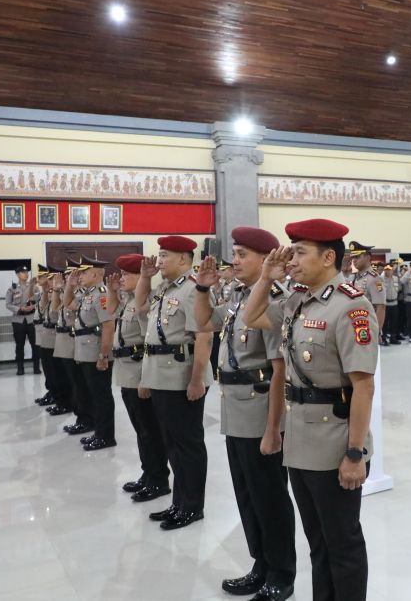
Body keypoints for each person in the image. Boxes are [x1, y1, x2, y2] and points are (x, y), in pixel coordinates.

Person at [242, 218, 377, 601]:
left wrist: (355, 453)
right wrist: (267, 277)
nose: (293, 260)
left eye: (301, 252)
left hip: (334, 441)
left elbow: (364, 386)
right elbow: (251, 317)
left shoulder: (351, 307)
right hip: (300, 438)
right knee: (317, 540)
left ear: (329, 256)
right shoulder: (297, 301)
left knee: (343, 543)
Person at [195, 227, 297, 601]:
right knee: (247, 494)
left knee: (269, 495)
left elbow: (280, 369)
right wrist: (203, 289)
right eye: (234, 254)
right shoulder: (239, 297)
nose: (233, 261)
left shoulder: (273, 300)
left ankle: (282, 574)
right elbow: (205, 322)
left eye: (242, 255)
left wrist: (273, 429)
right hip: (234, 407)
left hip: (259, 409)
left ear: (265, 259)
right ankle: (261, 564)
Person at [137, 236, 213, 531]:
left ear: (184, 258)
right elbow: (141, 306)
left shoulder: (194, 288)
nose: (159, 260)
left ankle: (192, 506)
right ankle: (179, 502)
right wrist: (145, 277)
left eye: (165, 255)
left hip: (182, 377)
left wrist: (197, 381)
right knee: (172, 444)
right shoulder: (165, 288)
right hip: (162, 377)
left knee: (188, 444)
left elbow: (204, 336)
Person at [107, 253, 170, 503]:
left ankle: (158, 479)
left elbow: (148, 343)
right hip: (126, 373)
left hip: (138, 373)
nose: (122, 279)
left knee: (149, 431)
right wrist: (113, 291)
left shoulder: (145, 304)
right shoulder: (128, 301)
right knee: (141, 429)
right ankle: (148, 474)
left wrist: (145, 379)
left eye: (127, 275)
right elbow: (110, 312)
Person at [64, 254, 116, 451]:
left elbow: (109, 326)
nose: (80, 276)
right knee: (89, 393)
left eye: (84, 272)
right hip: (84, 351)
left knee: (101, 395)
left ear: (95, 274)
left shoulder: (102, 294)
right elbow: (67, 304)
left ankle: (106, 436)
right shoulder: (87, 293)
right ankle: (96, 429)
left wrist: (103, 355)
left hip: (95, 352)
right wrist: (70, 284)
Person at [55, 260, 94, 436]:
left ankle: (87, 419)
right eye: (69, 275)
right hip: (75, 344)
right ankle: (83, 418)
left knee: (83, 386)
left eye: (76, 274)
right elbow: (61, 305)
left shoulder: (88, 294)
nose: (72, 278)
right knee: (78, 384)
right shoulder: (77, 293)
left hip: (81, 344)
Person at [41, 266, 72, 416]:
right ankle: (60, 400)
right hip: (58, 338)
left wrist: (61, 290)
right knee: (54, 373)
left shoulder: (73, 293)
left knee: (63, 376)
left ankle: (66, 403)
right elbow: (53, 308)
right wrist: (53, 290)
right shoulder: (59, 292)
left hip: (70, 340)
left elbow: (63, 306)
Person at [346, 241, 386, 344]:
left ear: (367, 257)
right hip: (351, 326)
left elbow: (380, 307)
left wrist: (376, 332)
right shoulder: (353, 277)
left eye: (357, 257)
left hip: (367, 328)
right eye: (353, 258)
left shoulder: (375, 279)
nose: (354, 260)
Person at [5, 264, 40, 376]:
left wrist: (32, 307)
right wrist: (20, 308)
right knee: (19, 345)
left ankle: (36, 367)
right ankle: (20, 368)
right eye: (23, 272)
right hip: (18, 320)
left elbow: (39, 300)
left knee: (35, 344)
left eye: (27, 272)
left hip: (31, 319)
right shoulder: (12, 289)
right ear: (18, 274)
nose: (26, 274)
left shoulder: (34, 287)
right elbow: (8, 304)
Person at [32, 265, 58, 403]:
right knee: (47, 366)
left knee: (53, 367)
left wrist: (49, 290)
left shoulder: (55, 292)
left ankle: (56, 393)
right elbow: (41, 308)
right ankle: (51, 391)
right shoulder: (45, 291)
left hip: (52, 333)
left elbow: (53, 309)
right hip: (42, 331)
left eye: (45, 277)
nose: (41, 279)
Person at [381, 265, 401, 345]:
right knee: (385, 323)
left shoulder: (395, 278)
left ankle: (393, 338)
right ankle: (383, 338)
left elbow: (399, 288)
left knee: (394, 322)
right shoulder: (381, 279)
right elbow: (379, 291)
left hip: (394, 303)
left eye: (389, 270)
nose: (388, 271)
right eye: (386, 270)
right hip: (385, 304)